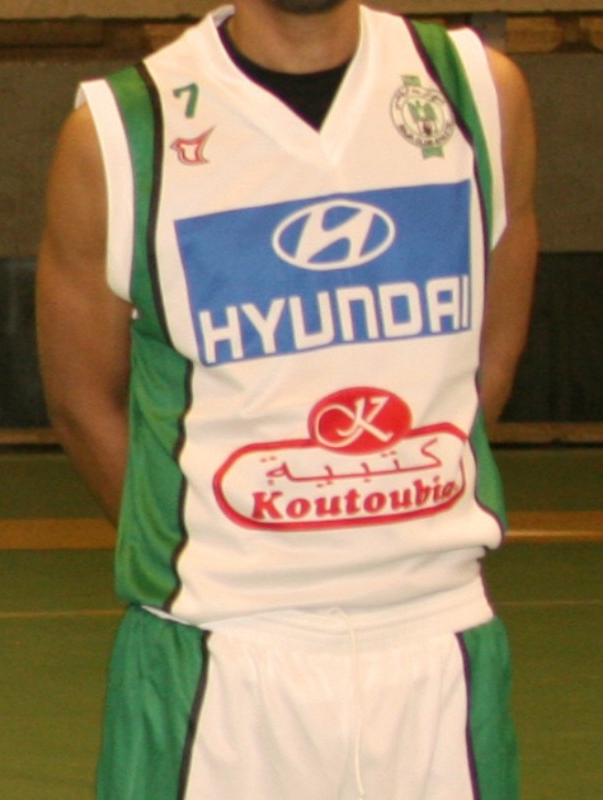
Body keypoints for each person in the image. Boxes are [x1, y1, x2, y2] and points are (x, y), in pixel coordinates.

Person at [36, 0, 537, 797]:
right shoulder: (123, 130)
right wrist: (225, 559)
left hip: (437, 635)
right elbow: (80, 398)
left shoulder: (474, 91)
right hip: (219, 654)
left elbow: (489, 359)